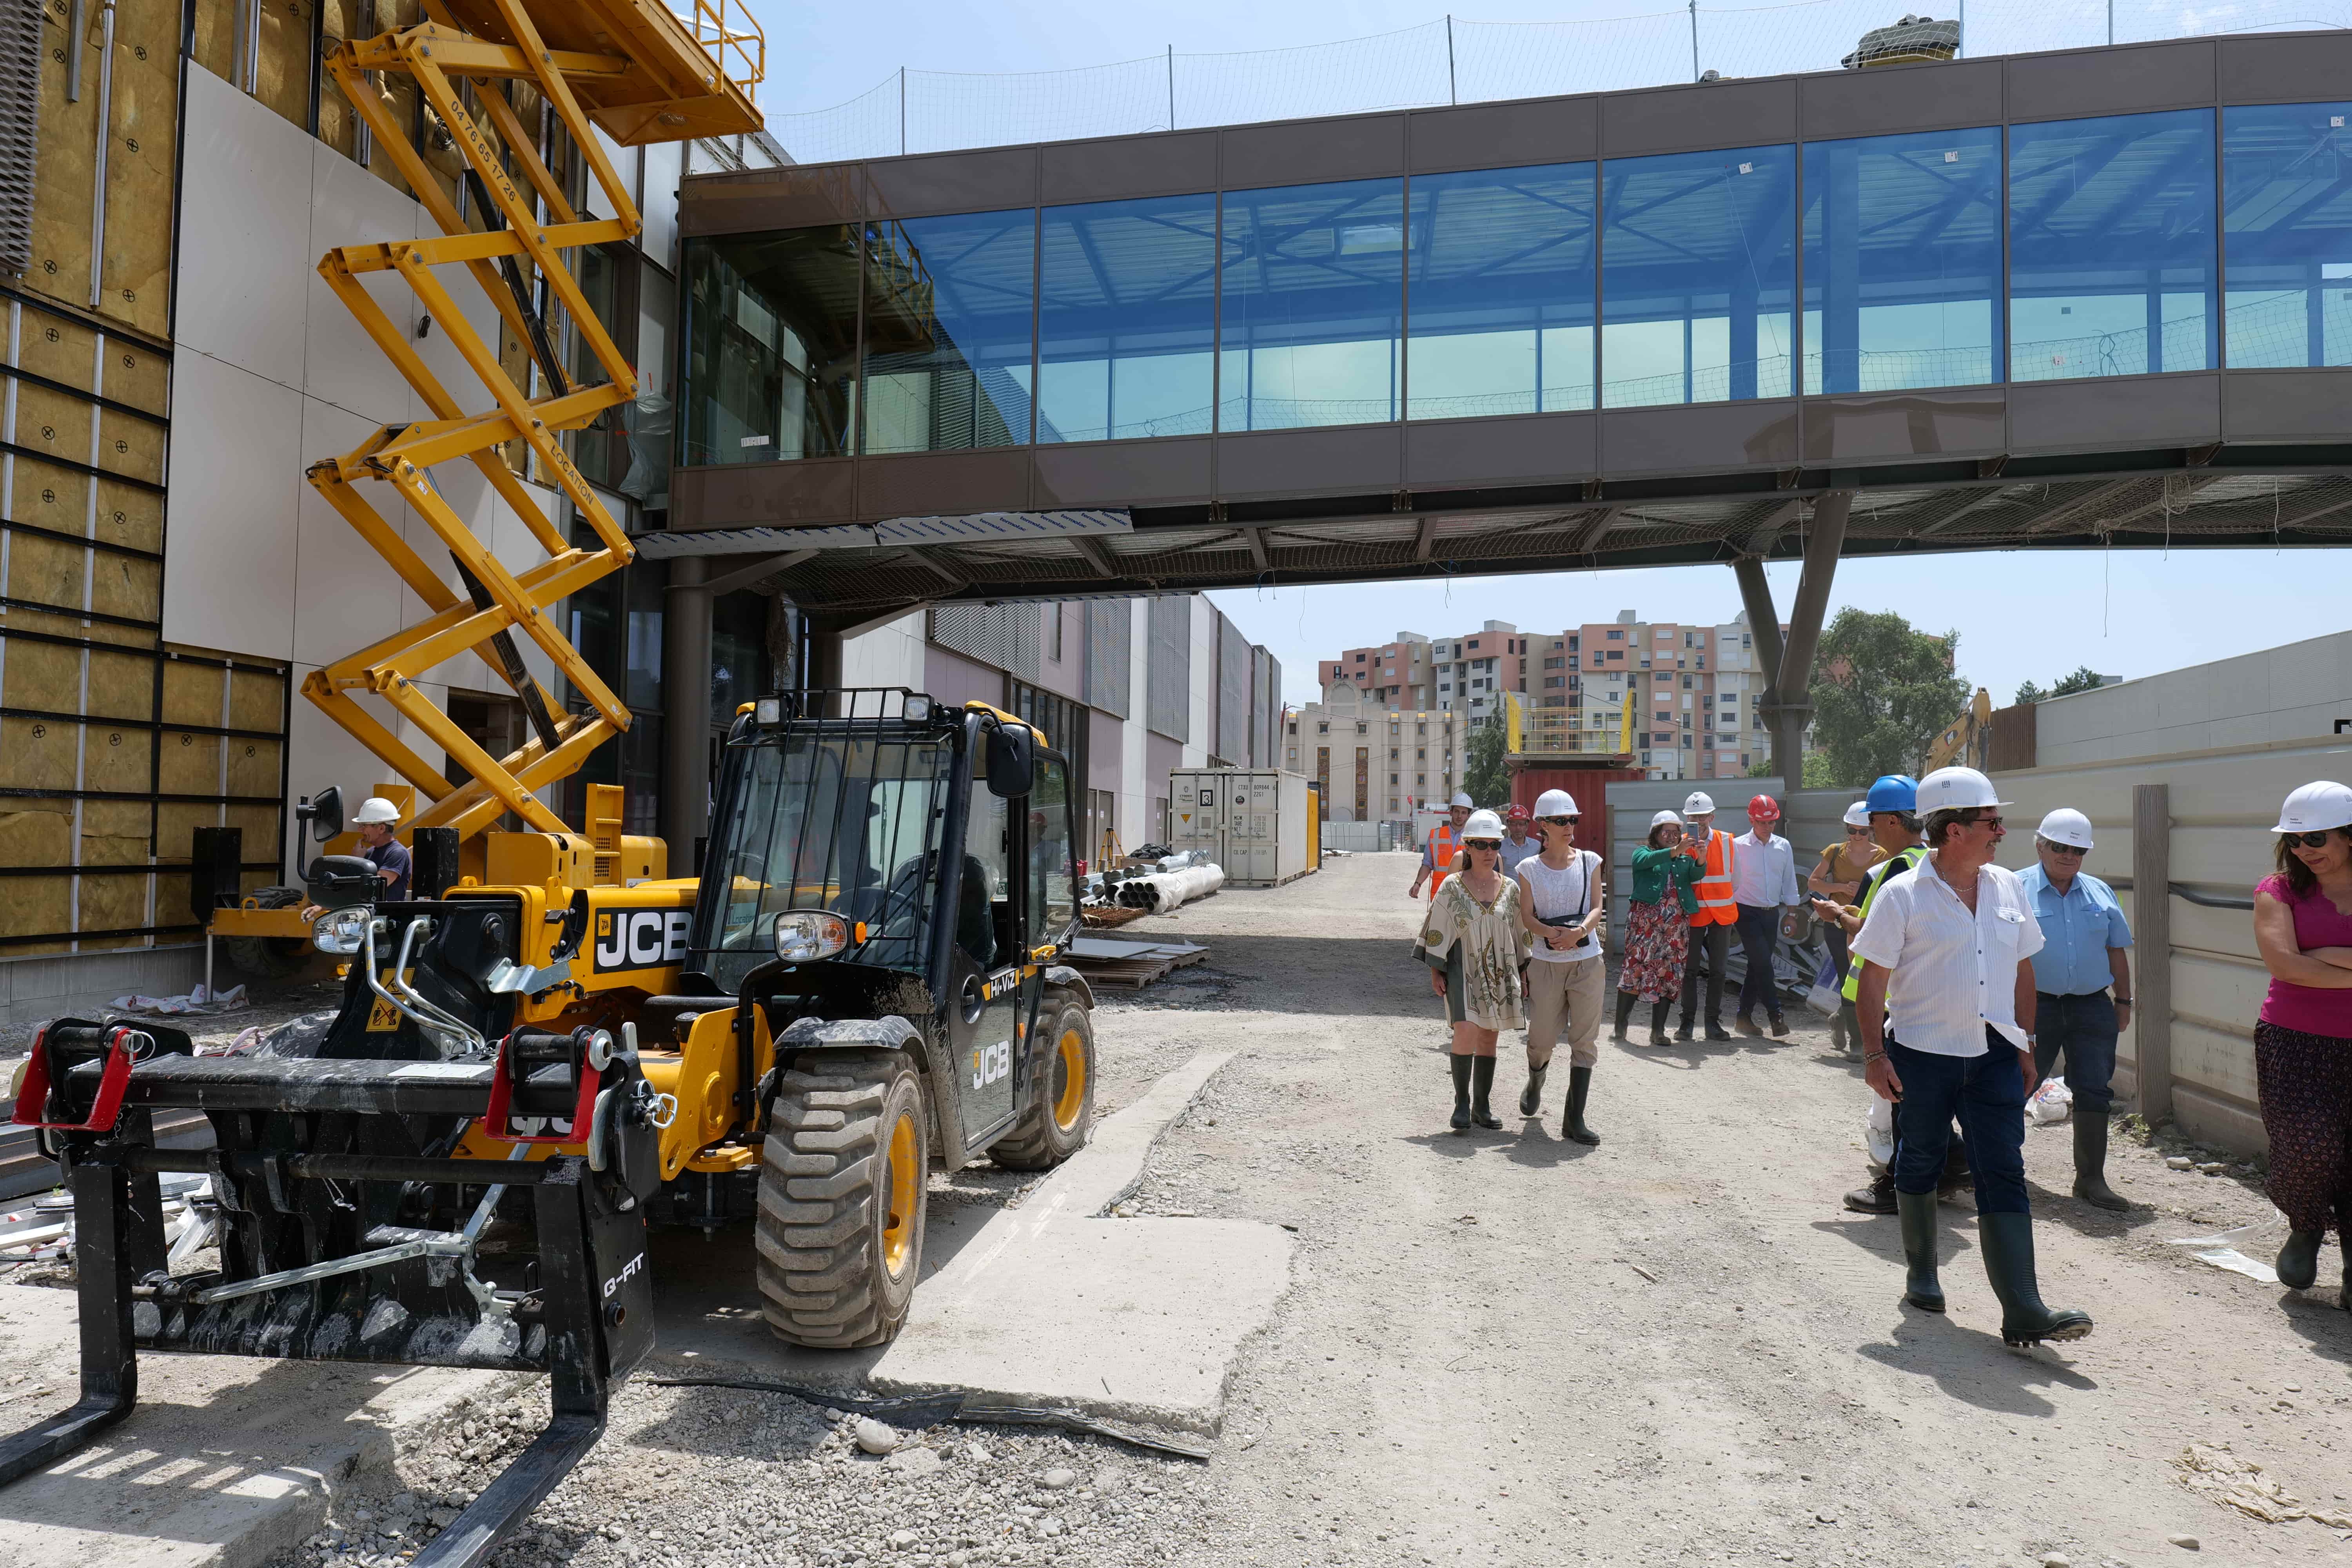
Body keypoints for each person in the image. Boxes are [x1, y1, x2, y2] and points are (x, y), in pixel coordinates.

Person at [1850, 766, 2091, 1347]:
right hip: (1921, 1055)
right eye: (1991, 821)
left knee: (2003, 1169)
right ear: (1954, 830)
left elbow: (2024, 967)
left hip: (1994, 1056)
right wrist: (1874, 1056)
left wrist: (2028, 1042)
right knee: (1921, 1159)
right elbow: (1872, 980)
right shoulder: (1902, 894)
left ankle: (2024, 1307)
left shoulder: (2007, 887)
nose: (2001, 831)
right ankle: (1923, 1274)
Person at [1813, 775, 1947, 1214]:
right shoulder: (1936, 860)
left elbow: (1869, 936)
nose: (1868, 831)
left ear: (1891, 820)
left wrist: (1834, 914)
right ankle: (1946, 1167)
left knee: (1898, 1094)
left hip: (1893, 997)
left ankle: (1903, 1183)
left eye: (1872, 821)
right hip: (1929, 991)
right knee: (1922, 1092)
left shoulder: (1891, 869)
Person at [2249, 780, 2352, 1305]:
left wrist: (2325, 954)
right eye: (2294, 840)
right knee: (2308, 1149)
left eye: (2315, 837)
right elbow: (2284, 965)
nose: (2303, 849)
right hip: (2296, 1042)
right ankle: (2306, 1226)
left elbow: (2303, 961)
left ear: (2349, 836)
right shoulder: (2278, 889)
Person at [2018, 808, 2134, 1212]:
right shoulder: (2013, 888)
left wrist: (2124, 1000)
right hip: (2034, 1006)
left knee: (2094, 1089)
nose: (2068, 856)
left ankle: (2091, 1180)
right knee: (2017, 1084)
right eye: (2060, 847)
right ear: (2041, 845)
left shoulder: (2100, 892)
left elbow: (2115, 950)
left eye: (2077, 850)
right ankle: (2003, 1172)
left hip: (2091, 1007)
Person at [1416, 809, 1532, 1131]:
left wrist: (1523, 971)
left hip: (1498, 970)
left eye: (1494, 844)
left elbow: (1520, 932)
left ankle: (1482, 1106)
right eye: (1480, 844)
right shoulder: (1452, 887)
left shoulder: (1510, 888)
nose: (1488, 852)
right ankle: (1462, 1105)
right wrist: (1435, 971)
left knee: (1490, 1035)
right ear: (1467, 846)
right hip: (1459, 967)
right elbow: (1436, 928)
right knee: (1465, 1029)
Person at [1515, 789, 1605, 1144]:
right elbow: (1525, 916)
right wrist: (1553, 934)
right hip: (1546, 963)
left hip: (1587, 962)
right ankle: (1536, 1078)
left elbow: (1598, 907)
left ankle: (1574, 1120)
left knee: (1585, 1041)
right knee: (1542, 1040)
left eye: (1573, 820)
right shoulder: (1528, 869)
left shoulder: (1590, 861)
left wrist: (1579, 933)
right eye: (1561, 821)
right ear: (1543, 826)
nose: (1569, 827)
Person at [1618, 811, 1706, 1048]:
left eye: (1676, 833)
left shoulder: (1684, 859)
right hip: (1645, 925)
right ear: (1655, 834)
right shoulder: (1643, 852)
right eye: (1666, 832)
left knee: (1668, 974)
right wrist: (1674, 852)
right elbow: (1643, 863)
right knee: (1635, 970)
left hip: (1675, 926)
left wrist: (1700, 858)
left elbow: (1697, 875)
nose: (1671, 836)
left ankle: (1657, 1031)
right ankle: (1620, 1026)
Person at [1808, 802, 1887, 1054]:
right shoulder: (1834, 852)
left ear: (1871, 831)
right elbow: (1814, 882)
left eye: (1862, 831)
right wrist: (1842, 888)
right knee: (1847, 977)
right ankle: (1858, 1042)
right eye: (1852, 830)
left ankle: (1842, 1017)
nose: (1856, 836)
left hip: (1869, 925)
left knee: (1869, 979)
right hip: (1838, 923)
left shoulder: (1884, 856)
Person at [1730, 794, 1802, 1038]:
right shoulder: (1738, 846)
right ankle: (1776, 1016)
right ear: (1751, 819)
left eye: (1772, 823)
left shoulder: (1783, 847)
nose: (1768, 827)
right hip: (1746, 913)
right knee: (1763, 963)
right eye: (1762, 822)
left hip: (1772, 915)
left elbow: (1789, 880)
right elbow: (1730, 881)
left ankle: (1743, 1017)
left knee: (1756, 965)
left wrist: (1791, 913)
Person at [1675, 791, 1739, 1042]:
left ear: (1712, 817)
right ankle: (1687, 1023)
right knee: (1689, 971)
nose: (1699, 820)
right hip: (1693, 916)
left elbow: (1737, 880)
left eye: (1703, 816)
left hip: (1722, 914)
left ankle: (1712, 1023)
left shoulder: (1727, 841)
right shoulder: (1681, 844)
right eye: (1693, 816)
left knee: (1718, 971)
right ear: (1687, 818)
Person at [1409, 793, 1474, 902]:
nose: (1460, 816)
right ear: (1451, 813)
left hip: (1464, 895)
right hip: (1440, 894)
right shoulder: (1435, 836)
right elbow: (1427, 864)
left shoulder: (1473, 839)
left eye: (1464, 813)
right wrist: (1418, 884)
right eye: (1457, 812)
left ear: (1469, 815)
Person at [354, 795, 412, 900]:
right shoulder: (369, 853)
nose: (360, 830)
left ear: (381, 828)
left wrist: (357, 861)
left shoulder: (398, 853)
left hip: (387, 916)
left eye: (364, 826)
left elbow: (374, 888)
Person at [1499, 804, 1543, 877]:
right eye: (1514, 824)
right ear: (1508, 825)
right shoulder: (1501, 847)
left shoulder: (1537, 846)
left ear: (1527, 825)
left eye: (1522, 824)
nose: (1518, 828)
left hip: (1531, 888)